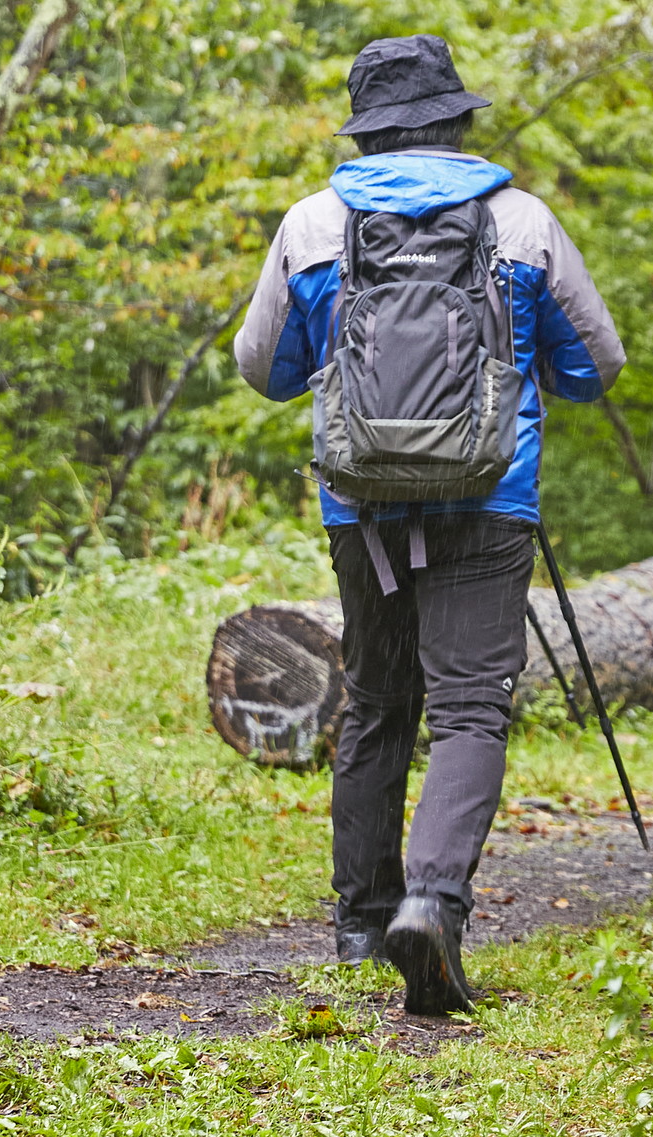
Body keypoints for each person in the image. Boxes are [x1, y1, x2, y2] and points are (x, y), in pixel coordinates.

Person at [232, 34, 625, 1015]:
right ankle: (433, 903)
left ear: (366, 132)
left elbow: (264, 369)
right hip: (490, 496)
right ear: (457, 120)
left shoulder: (314, 223)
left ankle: (364, 921)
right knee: (470, 708)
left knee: (373, 700)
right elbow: (596, 364)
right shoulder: (522, 220)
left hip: (360, 502)